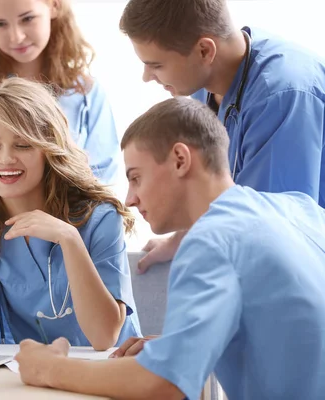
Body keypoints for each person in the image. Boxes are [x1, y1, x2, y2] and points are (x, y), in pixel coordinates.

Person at [14, 97, 325, 400]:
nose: (129, 199)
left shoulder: (210, 242)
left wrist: (48, 368)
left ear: (180, 159)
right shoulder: (301, 209)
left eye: (136, 178)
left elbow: (163, 386)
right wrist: (178, 345)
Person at [119, 0, 325, 273]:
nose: (147, 77)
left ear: (205, 50)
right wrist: (184, 238)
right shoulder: (204, 83)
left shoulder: (283, 96)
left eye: (155, 65)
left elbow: (272, 234)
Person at [0, 77, 140, 350]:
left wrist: (69, 238)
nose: (6, 159)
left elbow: (104, 337)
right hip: (35, 377)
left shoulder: (101, 218)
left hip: (111, 372)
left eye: (23, 145)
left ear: (49, 149)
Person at [0, 0, 122, 226]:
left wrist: (55, 223)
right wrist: (7, 215)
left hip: (71, 238)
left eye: (27, 19)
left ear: (54, 6)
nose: (16, 36)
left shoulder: (87, 93)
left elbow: (101, 183)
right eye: (0, 24)